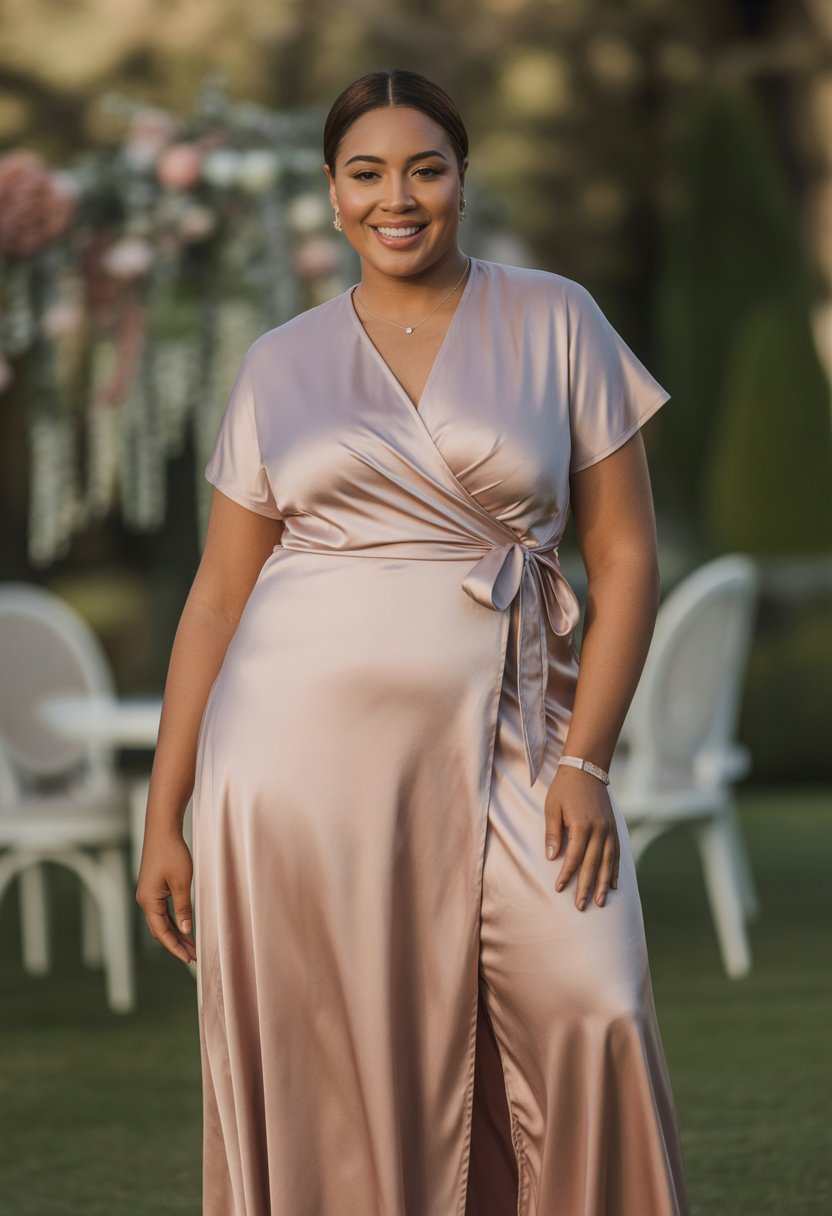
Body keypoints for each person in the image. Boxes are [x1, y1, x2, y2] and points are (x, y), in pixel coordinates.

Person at [136, 67, 691, 1216]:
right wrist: (163, 815)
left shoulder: (556, 317)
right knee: (345, 1062)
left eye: (426, 169)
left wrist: (585, 760)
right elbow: (215, 597)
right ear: (332, 196)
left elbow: (625, 556)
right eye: (367, 172)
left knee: (594, 1003)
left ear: (462, 183)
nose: (399, 196)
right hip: (297, 766)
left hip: (517, 734)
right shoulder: (278, 363)